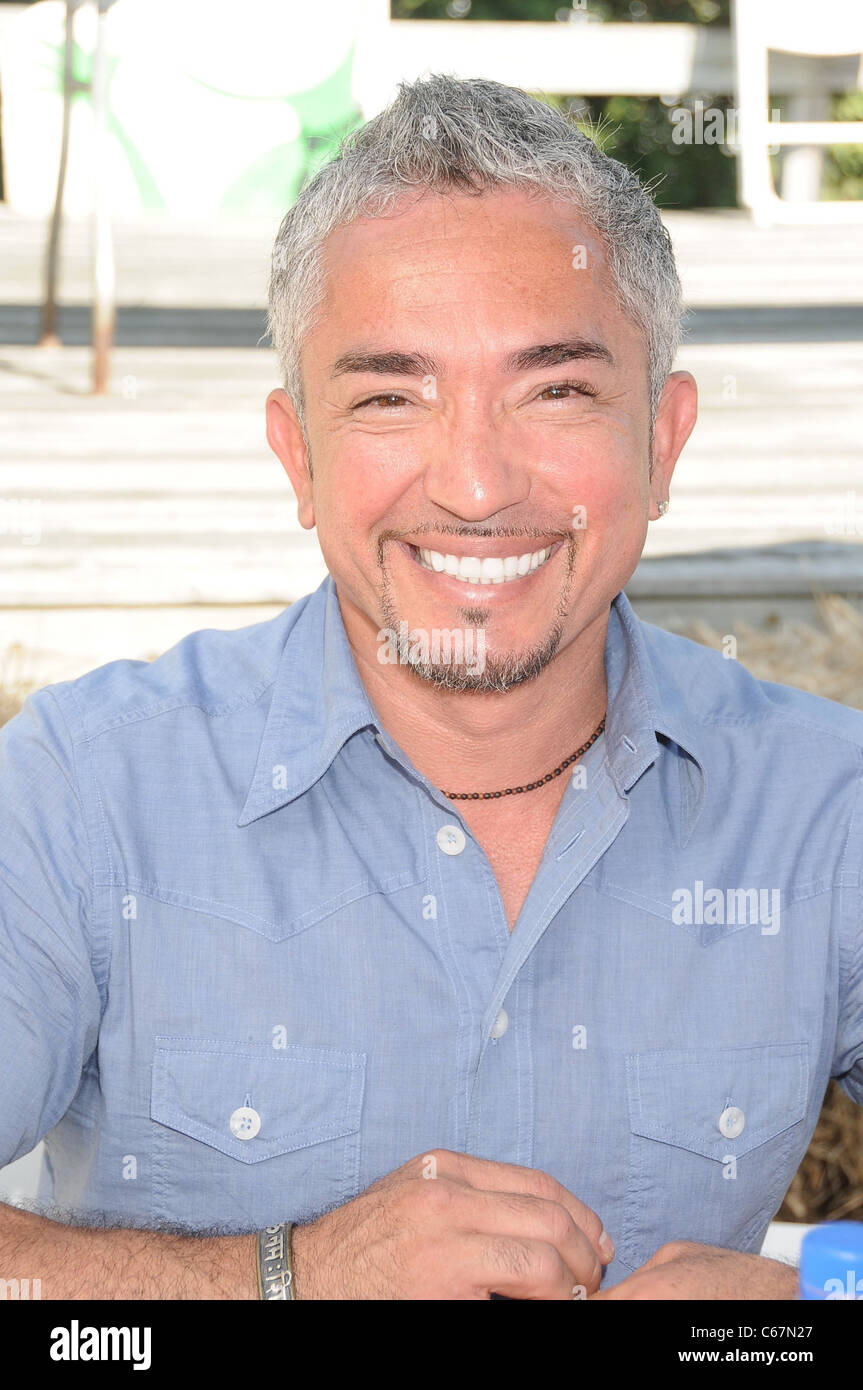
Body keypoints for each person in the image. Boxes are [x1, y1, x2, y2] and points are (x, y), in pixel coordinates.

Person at [1, 74, 860, 1301]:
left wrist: (812, 1314)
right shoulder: (85, 789)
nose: (470, 482)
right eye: (390, 396)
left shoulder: (825, 806)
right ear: (297, 456)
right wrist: (282, 1279)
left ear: (661, 445)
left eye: (553, 388)